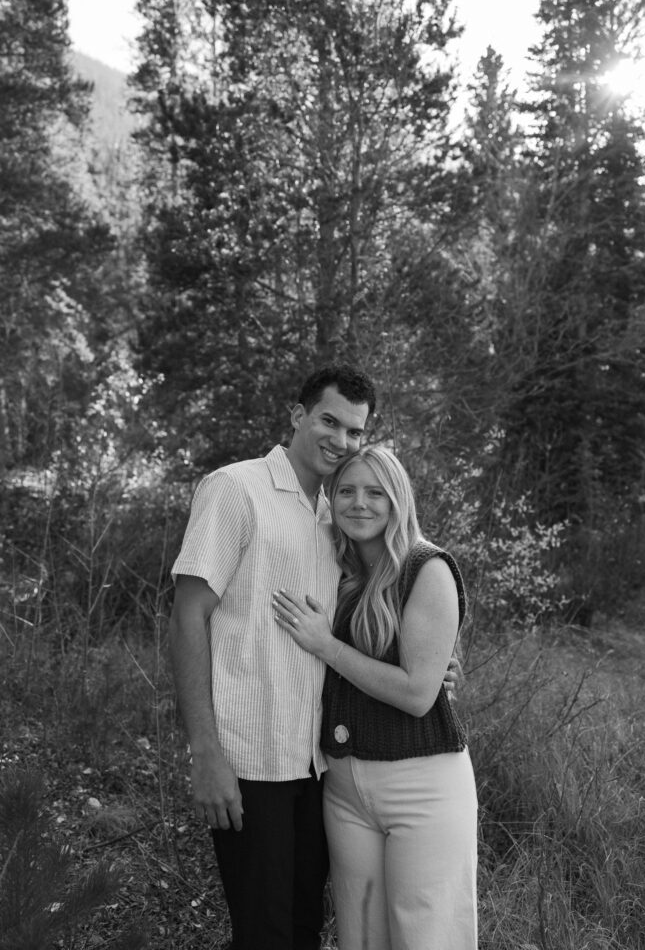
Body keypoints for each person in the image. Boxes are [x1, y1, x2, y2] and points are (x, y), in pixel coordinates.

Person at [169, 363, 377, 950]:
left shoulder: (338, 514)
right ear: (298, 416)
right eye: (330, 421)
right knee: (264, 934)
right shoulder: (235, 489)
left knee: (303, 929)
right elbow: (188, 618)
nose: (341, 441)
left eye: (356, 432)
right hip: (248, 758)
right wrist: (205, 753)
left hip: (316, 762)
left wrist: (430, 669)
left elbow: (353, 623)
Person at [273, 446, 478, 950]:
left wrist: (328, 646)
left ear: (397, 500)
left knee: (427, 937)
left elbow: (415, 695)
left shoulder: (425, 569)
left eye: (374, 492)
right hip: (343, 788)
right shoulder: (333, 569)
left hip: (421, 784)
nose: (359, 503)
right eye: (346, 490)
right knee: (362, 937)